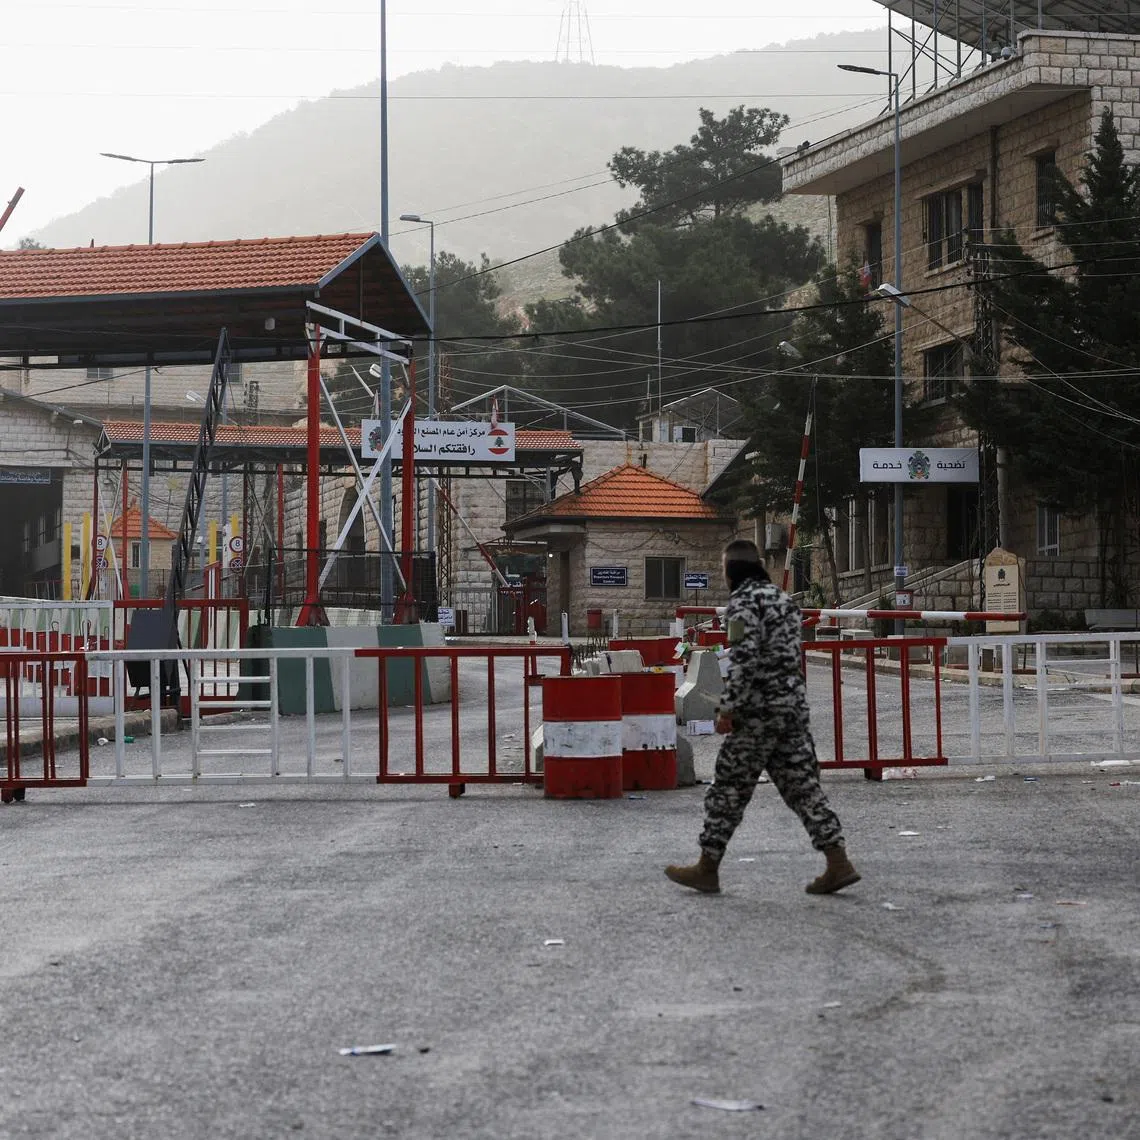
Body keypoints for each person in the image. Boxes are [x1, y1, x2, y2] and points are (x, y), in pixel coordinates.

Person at [665, 539, 859, 895]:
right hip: (791, 708)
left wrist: (728, 708)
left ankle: (708, 867)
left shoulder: (742, 603)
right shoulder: (784, 601)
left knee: (727, 788)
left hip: (758, 714)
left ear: (731, 570)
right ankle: (838, 860)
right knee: (803, 787)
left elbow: (745, 657)